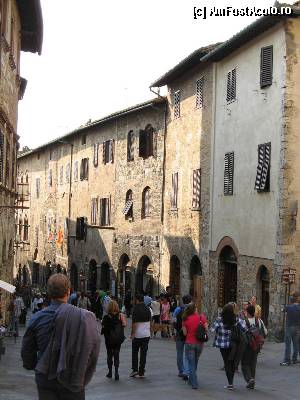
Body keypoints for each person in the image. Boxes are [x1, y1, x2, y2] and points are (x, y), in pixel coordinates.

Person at [21, 274, 100, 400]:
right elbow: (93, 351)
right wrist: (82, 372)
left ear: (48, 292)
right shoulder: (83, 318)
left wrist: (36, 365)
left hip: (46, 378)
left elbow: (27, 350)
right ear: (68, 291)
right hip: (73, 377)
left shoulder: (37, 318)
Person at [212, 303, 246, 390]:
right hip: (233, 344)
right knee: (231, 363)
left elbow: (212, 329)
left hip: (222, 345)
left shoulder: (219, 319)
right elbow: (245, 328)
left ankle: (230, 383)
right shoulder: (236, 319)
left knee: (226, 363)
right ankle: (231, 381)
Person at [241, 304, 267, 389]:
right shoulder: (259, 321)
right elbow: (265, 332)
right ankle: (252, 381)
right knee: (253, 364)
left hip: (247, 345)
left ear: (247, 312)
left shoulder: (244, 321)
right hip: (256, 345)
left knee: (245, 363)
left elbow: (241, 334)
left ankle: (249, 379)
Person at [182, 303, 207, 389]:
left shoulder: (185, 319)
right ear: (194, 309)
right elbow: (206, 329)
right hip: (199, 343)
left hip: (189, 342)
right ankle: (192, 380)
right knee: (195, 362)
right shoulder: (201, 317)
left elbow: (185, 333)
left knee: (191, 363)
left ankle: (193, 382)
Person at [101, 300, 127, 380]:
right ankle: (116, 372)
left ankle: (110, 372)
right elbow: (124, 324)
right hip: (118, 338)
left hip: (109, 339)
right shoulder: (120, 315)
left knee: (109, 355)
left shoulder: (106, 316)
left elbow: (103, 327)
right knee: (116, 354)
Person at [130, 294, 152, 378]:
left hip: (138, 334)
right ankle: (141, 370)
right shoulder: (148, 309)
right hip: (146, 334)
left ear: (137, 300)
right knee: (144, 353)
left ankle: (135, 370)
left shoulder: (136, 309)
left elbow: (134, 323)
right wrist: (150, 331)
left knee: (135, 352)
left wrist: (132, 334)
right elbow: (150, 321)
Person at [173, 294, 191, 380]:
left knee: (179, 353)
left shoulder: (177, 310)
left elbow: (173, 321)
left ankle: (181, 371)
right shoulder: (192, 310)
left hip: (179, 334)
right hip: (189, 335)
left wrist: (174, 332)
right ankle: (186, 371)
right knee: (188, 354)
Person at [280, 294, 300, 366]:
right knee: (296, 344)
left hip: (289, 327)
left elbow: (282, 310)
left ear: (290, 301)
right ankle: (295, 359)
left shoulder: (288, 307)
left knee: (288, 344)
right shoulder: (299, 307)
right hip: (297, 327)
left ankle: (287, 360)